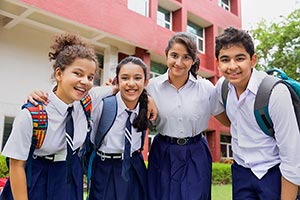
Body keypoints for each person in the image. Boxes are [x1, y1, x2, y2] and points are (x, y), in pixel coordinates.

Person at [0, 32, 112, 200]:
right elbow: (16, 166)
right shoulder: (32, 114)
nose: (86, 81)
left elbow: (119, 87)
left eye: (90, 77)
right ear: (59, 74)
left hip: (69, 175)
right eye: (78, 74)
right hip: (36, 178)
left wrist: (148, 99)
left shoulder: (87, 100)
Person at [214, 27, 300, 200]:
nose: (232, 66)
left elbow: (292, 156)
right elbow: (222, 115)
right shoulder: (222, 87)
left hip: (274, 172)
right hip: (241, 173)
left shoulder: (275, 93)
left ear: (253, 60)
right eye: (225, 59)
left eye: (240, 58)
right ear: (218, 63)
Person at [146, 32, 229, 200]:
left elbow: (226, 120)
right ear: (167, 55)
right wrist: (145, 98)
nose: (179, 62)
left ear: (193, 60)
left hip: (196, 151)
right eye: (174, 55)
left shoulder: (205, 87)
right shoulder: (151, 87)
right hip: (163, 151)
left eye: (186, 57)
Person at [88, 56, 150, 200]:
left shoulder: (146, 107)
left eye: (137, 78)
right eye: (125, 78)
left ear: (146, 82)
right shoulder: (103, 105)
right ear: (117, 81)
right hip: (106, 167)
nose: (131, 84)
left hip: (135, 166)